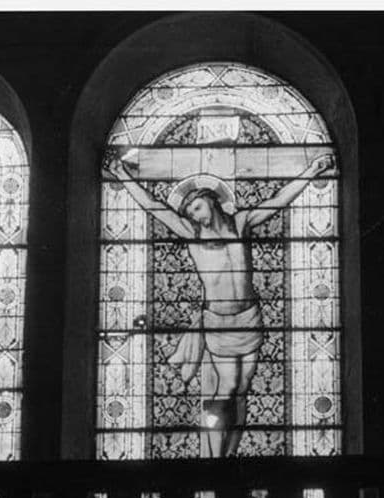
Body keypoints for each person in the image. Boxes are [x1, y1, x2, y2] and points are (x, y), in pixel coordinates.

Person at [105, 151, 335, 457]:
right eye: (191, 212)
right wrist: (122, 175)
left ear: (211, 200)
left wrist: (311, 171)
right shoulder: (192, 233)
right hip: (219, 321)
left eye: (198, 207)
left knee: (242, 389)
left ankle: (229, 455)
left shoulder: (241, 223)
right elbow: (154, 207)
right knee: (227, 386)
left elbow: (278, 201)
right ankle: (214, 457)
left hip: (249, 318)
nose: (196, 215)